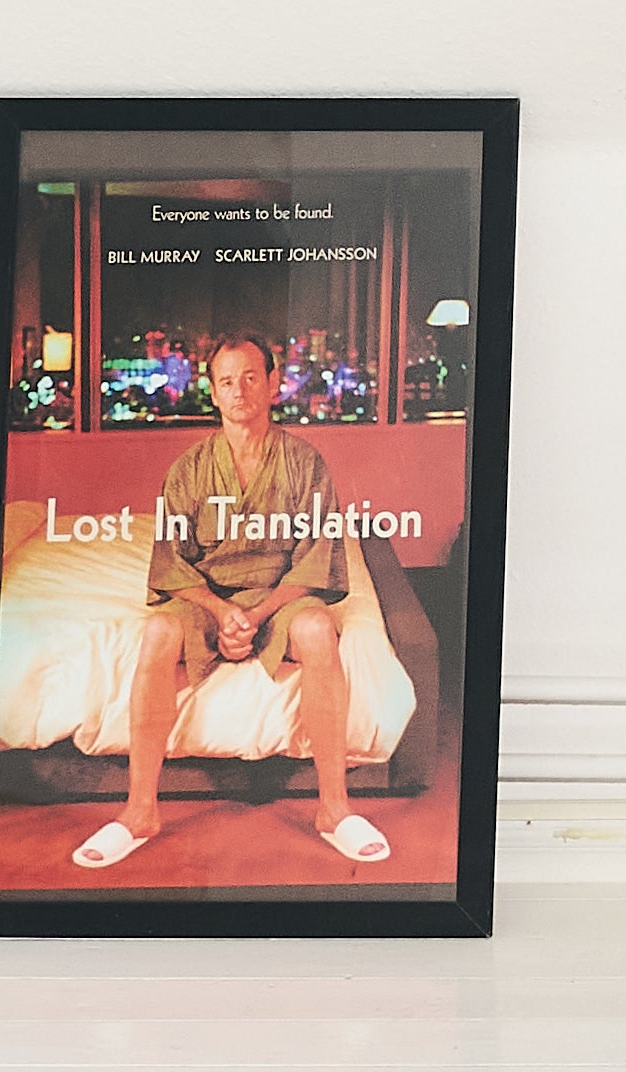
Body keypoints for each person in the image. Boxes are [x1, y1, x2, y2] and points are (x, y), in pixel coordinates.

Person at [69, 327, 392, 871]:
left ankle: (334, 809)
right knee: (157, 632)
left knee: (318, 630)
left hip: (279, 596)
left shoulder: (305, 463)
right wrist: (222, 611)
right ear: (213, 392)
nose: (239, 391)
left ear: (273, 384)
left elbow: (316, 557)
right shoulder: (189, 469)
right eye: (226, 381)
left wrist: (257, 613)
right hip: (207, 597)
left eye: (250, 378)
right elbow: (171, 562)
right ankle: (140, 810)